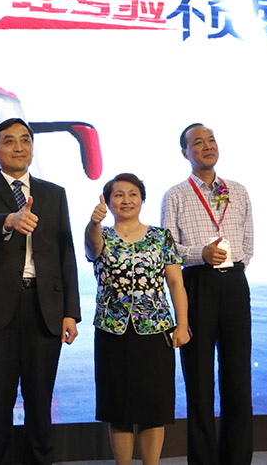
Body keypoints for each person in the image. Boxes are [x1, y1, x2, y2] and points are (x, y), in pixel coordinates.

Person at [0, 118, 80, 465]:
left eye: (25, 140)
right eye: (9, 141)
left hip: (45, 307)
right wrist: (8, 220)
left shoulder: (53, 193)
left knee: (40, 401)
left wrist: (70, 312)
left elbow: (65, 252)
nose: (19, 147)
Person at [161, 123, 254, 465]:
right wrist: (200, 254)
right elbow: (168, 248)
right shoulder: (176, 195)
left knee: (238, 379)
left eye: (211, 140)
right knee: (199, 381)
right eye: (198, 142)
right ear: (185, 152)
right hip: (196, 285)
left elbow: (248, 243)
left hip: (234, 284)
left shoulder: (238, 191)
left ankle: (237, 458)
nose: (207, 146)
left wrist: (233, 265)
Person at [84, 173, 191, 465]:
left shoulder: (161, 237)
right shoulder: (102, 235)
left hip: (155, 331)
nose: (126, 200)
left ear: (142, 199)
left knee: (153, 408)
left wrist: (182, 325)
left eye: (133, 194)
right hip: (112, 331)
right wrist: (93, 222)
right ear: (108, 202)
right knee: (117, 408)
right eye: (118, 195)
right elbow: (91, 247)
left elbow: (175, 283)